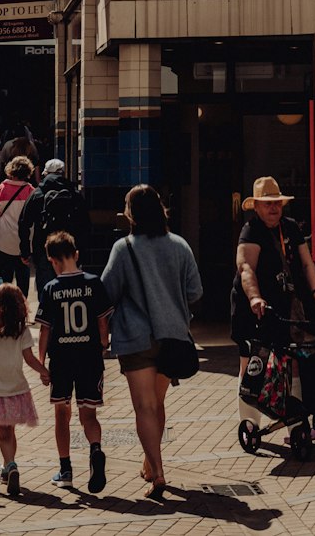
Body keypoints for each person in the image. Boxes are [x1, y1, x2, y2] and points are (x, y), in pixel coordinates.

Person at [101, 184, 202, 499]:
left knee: (143, 407)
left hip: (136, 337)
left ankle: (157, 473)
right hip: (172, 336)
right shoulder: (179, 245)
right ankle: (150, 462)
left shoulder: (124, 247)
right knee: (157, 405)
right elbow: (195, 291)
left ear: (130, 213)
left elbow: (106, 292)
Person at [230, 176, 315, 421]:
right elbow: (245, 267)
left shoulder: (290, 226)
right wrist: (255, 298)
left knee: (293, 362)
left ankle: (295, 424)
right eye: (267, 203)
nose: (274, 207)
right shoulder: (251, 230)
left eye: (277, 202)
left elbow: (307, 262)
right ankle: (250, 423)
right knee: (251, 364)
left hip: (286, 306)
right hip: (253, 309)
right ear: (256, 206)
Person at [36, 230, 112, 493]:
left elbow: (45, 329)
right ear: (76, 255)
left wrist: (41, 361)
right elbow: (103, 321)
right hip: (89, 356)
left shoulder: (50, 289)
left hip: (62, 359)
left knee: (61, 412)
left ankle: (65, 468)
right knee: (88, 413)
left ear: (52, 260)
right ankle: (96, 450)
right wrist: (103, 343)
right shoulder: (94, 283)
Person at [0, 283, 47, 499]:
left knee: (3, 434)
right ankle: (7, 467)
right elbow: (30, 359)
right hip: (17, 390)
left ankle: (10, 465)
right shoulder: (22, 333)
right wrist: (45, 371)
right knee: (10, 431)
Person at [19, 159, 91, 299]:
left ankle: (47, 318)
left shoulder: (37, 194)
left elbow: (23, 223)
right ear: (63, 173)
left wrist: (25, 250)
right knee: (69, 287)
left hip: (43, 248)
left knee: (46, 288)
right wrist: (81, 251)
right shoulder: (74, 194)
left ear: (46, 173)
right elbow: (85, 224)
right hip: (69, 248)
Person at [0, 156, 36, 296]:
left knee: (4, 278)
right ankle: (22, 308)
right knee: (23, 279)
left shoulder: (1, 189)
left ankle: (4, 307)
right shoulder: (31, 191)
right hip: (23, 244)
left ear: (11, 170)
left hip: (2, 240)